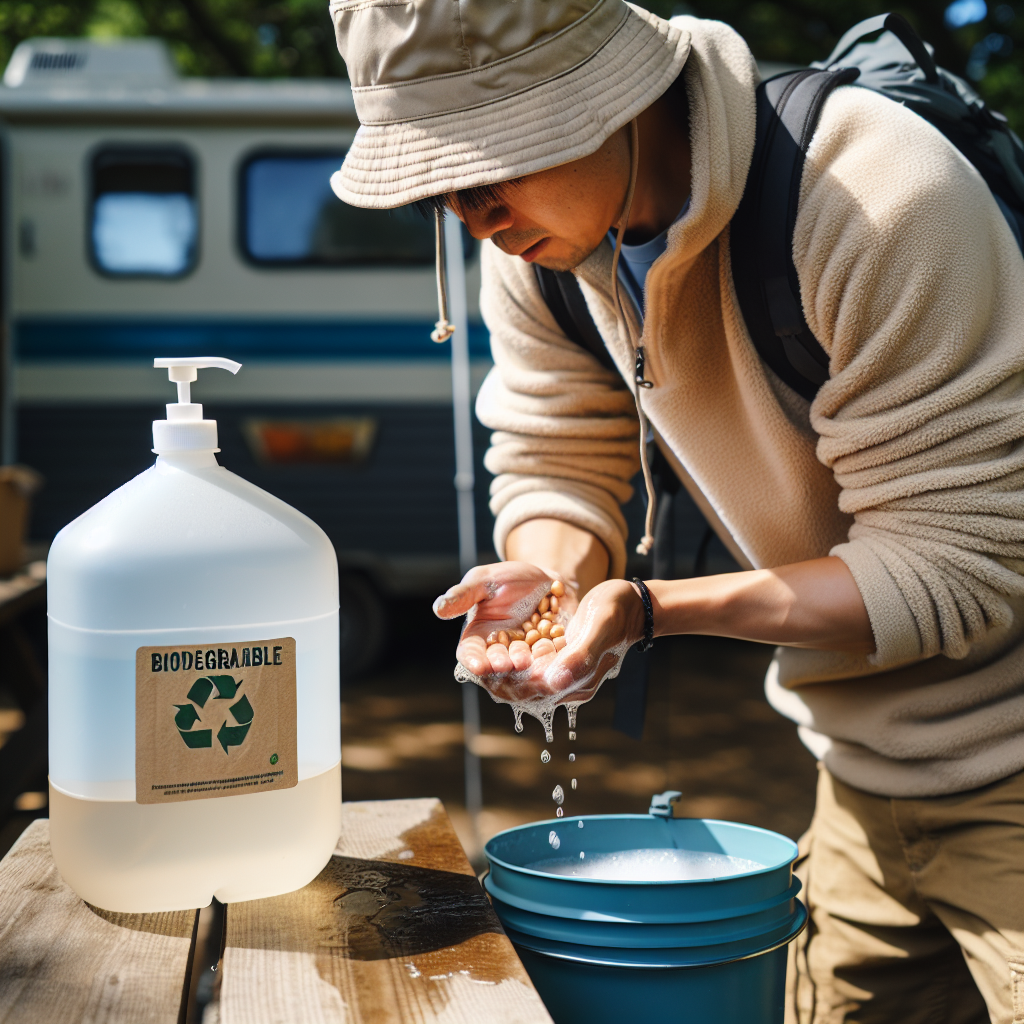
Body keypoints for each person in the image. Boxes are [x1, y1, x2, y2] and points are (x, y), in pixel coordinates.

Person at [328, 0, 1024, 1019]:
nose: (464, 208)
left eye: (486, 158)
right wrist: (549, 578)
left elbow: (956, 568)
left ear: (609, 97)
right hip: (859, 775)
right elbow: (554, 453)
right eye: (433, 180)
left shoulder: (871, 193)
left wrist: (653, 608)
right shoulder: (535, 245)